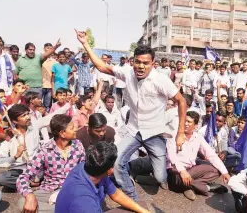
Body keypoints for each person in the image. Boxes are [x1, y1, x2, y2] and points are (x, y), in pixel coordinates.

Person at [75, 29, 187, 200]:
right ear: (133, 61)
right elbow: (101, 66)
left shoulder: (161, 80)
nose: (141, 66)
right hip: (133, 129)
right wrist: (84, 44)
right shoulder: (127, 72)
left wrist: (180, 134)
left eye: (146, 63)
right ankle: (132, 197)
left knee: (160, 177)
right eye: (138, 62)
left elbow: (182, 101)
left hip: (155, 132)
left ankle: (142, 167)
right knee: (117, 161)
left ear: (153, 63)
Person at [0, 97, 76, 190]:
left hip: (37, 167)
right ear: (15, 121)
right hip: (18, 169)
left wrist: (69, 105)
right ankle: (30, 183)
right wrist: (15, 156)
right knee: (0, 178)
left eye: (28, 114)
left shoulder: (35, 126)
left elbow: (52, 116)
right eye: (24, 116)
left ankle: (28, 182)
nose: (28, 117)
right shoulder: (9, 136)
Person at [55, 141, 150, 213]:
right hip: (87, 207)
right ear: (110, 170)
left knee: (140, 206)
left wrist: (143, 211)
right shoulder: (84, 201)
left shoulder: (87, 167)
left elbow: (115, 194)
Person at [17, 114, 85, 213]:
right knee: (22, 203)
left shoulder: (78, 145)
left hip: (71, 190)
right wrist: (29, 196)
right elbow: (23, 176)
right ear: (62, 133)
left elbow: (83, 171)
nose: (76, 129)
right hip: (48, 191)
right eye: (72, 128)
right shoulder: (45, 149)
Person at [166, 111, 230, 200]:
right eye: (185, 120)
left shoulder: (198, 137)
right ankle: (207, 187)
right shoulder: (174, 134)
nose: (185, 124)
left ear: (195, 125)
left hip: (191, 170)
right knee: (178, 182)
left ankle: (191, 186)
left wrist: (225, 172)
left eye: (189, 122)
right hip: (176, 172)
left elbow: (211, 155)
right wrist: (182, 171)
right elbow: (171, 156)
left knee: (217, 170)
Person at [41, 43, 58, 112]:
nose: (49, 49)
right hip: (40, 85)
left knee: (47, 105)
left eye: (50, 48)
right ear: (44, 49)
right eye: (47, 48)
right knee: (38, 104)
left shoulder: (55, 62)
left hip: (50, 86)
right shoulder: (40, 59)